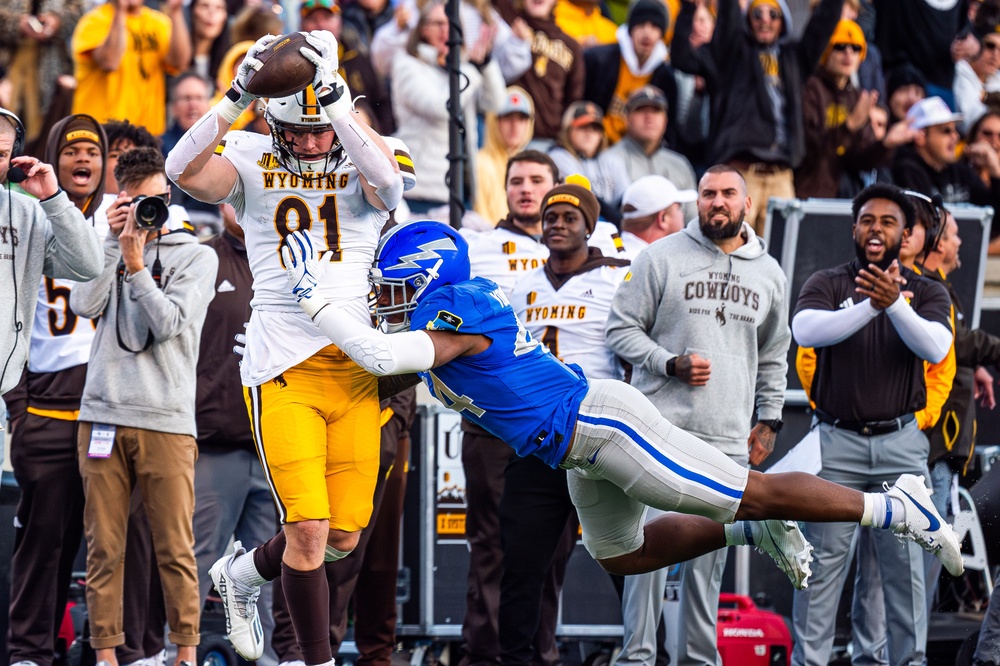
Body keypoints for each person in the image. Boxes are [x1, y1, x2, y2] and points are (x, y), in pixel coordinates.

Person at [272, 217, 963, 613]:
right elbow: (372, 348)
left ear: (428, 281)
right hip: (572, 447)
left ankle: (897, 509)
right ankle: (753, 536)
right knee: (625, 555)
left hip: (601, 426)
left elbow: (375, 350)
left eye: (398, 289)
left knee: (747, 490)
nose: (389, 300)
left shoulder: (453, 313)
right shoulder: (443, 304)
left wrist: (308, 294)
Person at [165, 27, 404, 666]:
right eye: (292, 132)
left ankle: (243, 572)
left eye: (316, 129)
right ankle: (315, 660)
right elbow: (179, 169)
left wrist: (336, 101)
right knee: (307, 531)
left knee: (345, 537)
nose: (306, 142)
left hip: (357, 363)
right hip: (282, 362)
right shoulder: (247, 151)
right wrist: (237, 93)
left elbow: (392, 186)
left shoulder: (359, 145)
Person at [604, 164, 791, 666]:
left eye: (729, 193)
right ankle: (636, 660)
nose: (717, 202)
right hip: (657, 435)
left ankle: (699, 662)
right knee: (645, 560)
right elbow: (620, 330)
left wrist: (769, 420)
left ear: (747, 204)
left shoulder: (769, 273)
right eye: (708, 193)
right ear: (697, 201)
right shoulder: (660, 258)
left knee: (707, 568)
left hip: (727, 441)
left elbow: (775, 355)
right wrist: (668, 363)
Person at [789, 182, 958, 666]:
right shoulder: (827, 281)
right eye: (867, 220)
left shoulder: (928, 290)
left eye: (888, 221)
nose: (876, 228)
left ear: (906, 234)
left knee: (906, 578)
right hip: (836, 443)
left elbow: (936, 348)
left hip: (901, 446)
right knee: (819, 574)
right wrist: (873, 306)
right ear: (854, 228)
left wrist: (896, 303)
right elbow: (805, 331)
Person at [69, 146, 217, 666]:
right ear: (120, 200)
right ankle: (106, 656)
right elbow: (83, 304)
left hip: (166, 421)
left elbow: (170, 323)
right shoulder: (109, 243)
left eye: (150, 202)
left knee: (175, 549)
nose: (142, 213)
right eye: (131, 202)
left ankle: (185, 652)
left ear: (168, 197)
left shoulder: (197, 255)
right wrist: (111, 245)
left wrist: (138, 268)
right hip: (103, 415)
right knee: (104, 549)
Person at [499, 184, 630, 666]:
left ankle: (644, 652)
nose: (556, 223)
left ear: (589, 226)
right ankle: (515, 659)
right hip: (537, 440)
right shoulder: (522, 285)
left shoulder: (619, 279)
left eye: (568, 217)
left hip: (599, 437)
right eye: (550, 216)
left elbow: (630, 355)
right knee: (521, 565)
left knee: (625, 557)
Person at [1, 113, 107, 666]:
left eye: (92, 150)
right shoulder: (25, 216)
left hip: (111, 413)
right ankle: (29, 651)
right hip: (45, 408)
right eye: (71, 150)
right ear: (51, 158)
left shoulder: (121, 219)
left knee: (113, 547)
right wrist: (18, 406)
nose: (82, 159)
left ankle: (110, 649)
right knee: (43, 544)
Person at [457, 151, 560, 666]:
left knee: (551, 549)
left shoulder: (589, 251)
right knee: (492, 541)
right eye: (516, 180)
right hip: (491, 419)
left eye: (537, 180)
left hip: (556, 419)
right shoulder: (478, 246)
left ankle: (539, 653)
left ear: (557, 188)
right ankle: (484, 654)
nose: (525, 189)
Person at [671, 0, 844, 235]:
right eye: (757, 13)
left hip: (782, 176)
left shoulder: (795, 58)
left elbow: (822, 25)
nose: (765, 19)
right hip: (741, 172)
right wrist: (689, 9)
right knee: (733, 248)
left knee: (781, 255)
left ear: (783, 21)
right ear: (747, 20)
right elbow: (682, 56)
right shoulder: (731, 55)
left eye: (773, 14)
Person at [192, 205, 279, 666]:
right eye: (231, 195)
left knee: (268, 571)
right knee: (194, 561)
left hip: (276, 444)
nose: (241, 205)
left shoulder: (292, 261)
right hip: (215, 441)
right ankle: (177, 652)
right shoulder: (201, 258)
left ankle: (262, 660)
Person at [0, 107, 103, 396]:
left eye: (0, 154)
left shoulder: (27, 213)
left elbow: (89, 266)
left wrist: (53, 199)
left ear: (13, 159)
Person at [391, 0, 504, 214]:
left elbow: (496, 103)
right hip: (422, 191)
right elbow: (442, 107)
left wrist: (485, 64)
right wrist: (469, 70)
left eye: (452, 24)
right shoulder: (408, 64)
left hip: (461, 190)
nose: (446, 31)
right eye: (438, 24)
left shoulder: (459, 67)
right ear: (423, 29)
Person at [795, 19, 913, 199]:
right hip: (809, 192)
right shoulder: (810, 88)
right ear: (826, 50)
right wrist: (849, 125)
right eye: (840, 46)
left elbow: (858, 160)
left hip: (845, 196)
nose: (848, 53)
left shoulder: (856, 97)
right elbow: (810, 150)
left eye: (856, 48)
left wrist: (886, 144)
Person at [71, 0, 191, 137]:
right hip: (101, 132)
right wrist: (120, 11)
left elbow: (179, 63)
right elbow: (110, 62)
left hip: (146, 133)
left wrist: (176, 13)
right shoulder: (94, 21)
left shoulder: (158, 22)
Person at [581, 0, 678, 145]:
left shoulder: (665, 77)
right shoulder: (599, 60)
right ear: (630, 29)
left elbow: (669, 130)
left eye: (654, 26)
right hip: (592, 144)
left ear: (662, 34)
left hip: (637, 151)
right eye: (641, 25)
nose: (647, 32)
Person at [494, 0, 585, 144]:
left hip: (547, 140)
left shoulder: (571, 46)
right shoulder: (509, 19)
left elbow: (574, 98)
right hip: (505, 136)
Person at [605, 86, 698, 222]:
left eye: (656, 110)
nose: (649, 117)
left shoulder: (681, 164)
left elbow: (693, 219)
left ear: (665, 120)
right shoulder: (609, 160)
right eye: (641, 110)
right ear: (627, 118)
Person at [548, 102, 629, 224]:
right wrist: (621, 222)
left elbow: (625, 200)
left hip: (611, 225)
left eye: (595, 128)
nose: (589, 133)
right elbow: (585, 198)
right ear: (568, 130)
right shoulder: (558, 157)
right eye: (582, 127)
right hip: (577, 223)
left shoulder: (611, 160)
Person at [161, 72, 221, 234]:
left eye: (199, 98)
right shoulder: (158, 146)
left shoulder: (225, 144)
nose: (192, 105)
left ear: (209, 104)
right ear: (173, 107)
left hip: (218, 225)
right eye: (186, 98)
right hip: (173, 225)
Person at [474, 87, 536, 229]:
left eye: (522, 119)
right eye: (507, 118)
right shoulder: (481, 163)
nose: (515, 126)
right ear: (493, 121)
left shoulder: (533, 167)